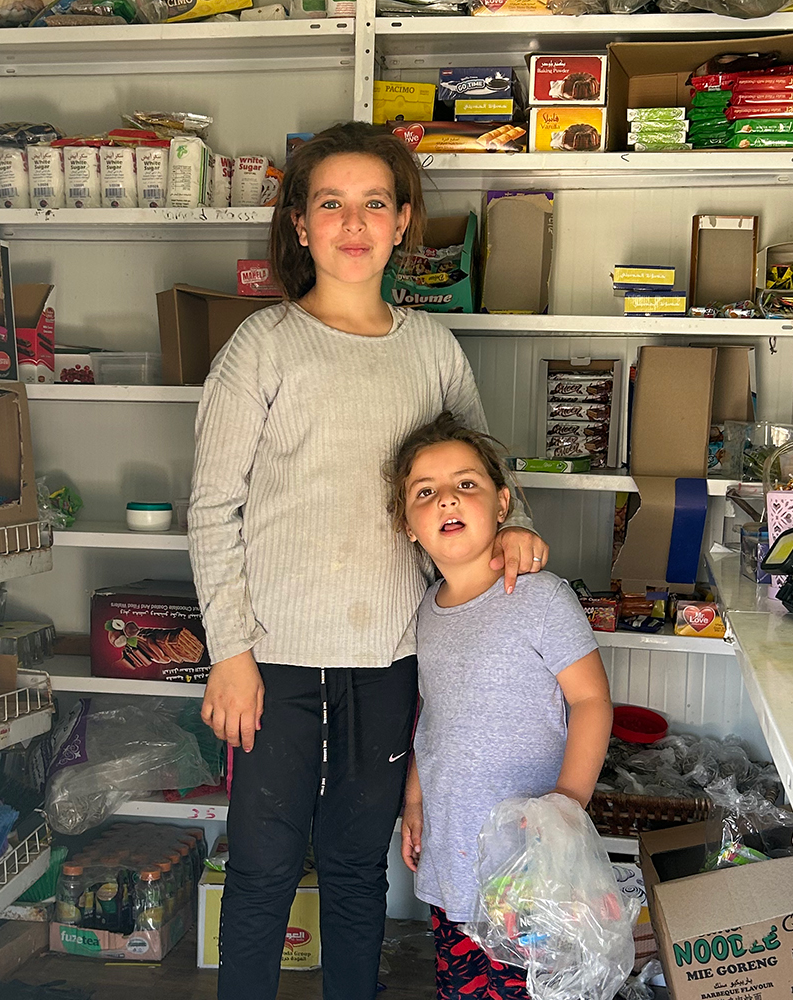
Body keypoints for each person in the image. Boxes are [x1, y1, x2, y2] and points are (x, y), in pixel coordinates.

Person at [188, 122, 549, 1000]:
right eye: (331, 204)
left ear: (403, 224)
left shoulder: (430, 351)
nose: (354, 222)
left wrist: (516, 526)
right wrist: (229, 653)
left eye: (374, 204)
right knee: (266, 863)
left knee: (356, 865)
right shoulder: (263, 347)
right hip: (271, 656)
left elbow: (479, 470)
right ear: (301, 225)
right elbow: (212, 508)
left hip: (389, 653)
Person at [391, 411, 613, 1000]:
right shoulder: (425, 613)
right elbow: (430, 718)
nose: (447, 500)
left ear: (503, 504)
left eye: (466, 484)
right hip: (454, 863)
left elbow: (592, 702)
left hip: (531, 869)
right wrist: (413, 800)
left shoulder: (539, 597)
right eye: (425, 492)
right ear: (408, 525)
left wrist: (567, 807)